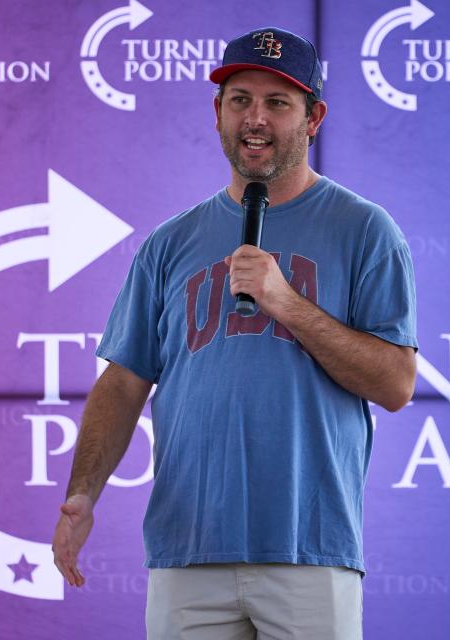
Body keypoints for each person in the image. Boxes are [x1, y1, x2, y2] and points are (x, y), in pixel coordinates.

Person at [53, 26, 418, 639]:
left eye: (279, 103)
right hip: (187, 546)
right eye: (240, 99)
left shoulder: (365, 231)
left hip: (309, 547)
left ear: (314, 118)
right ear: (217, 113)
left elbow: (395, 384)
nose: (256, 117)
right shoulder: (170, 244)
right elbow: (123, 381)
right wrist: (83, 494)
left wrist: (286, 303)